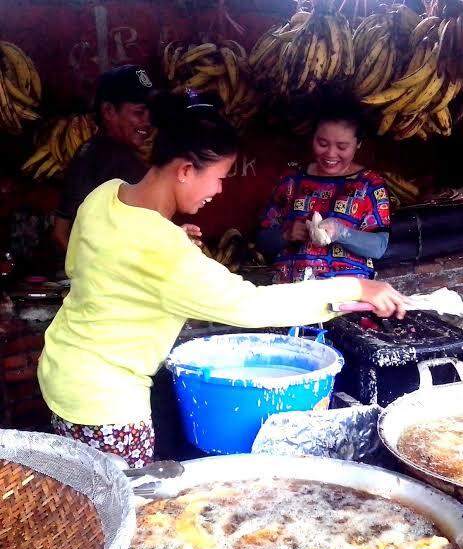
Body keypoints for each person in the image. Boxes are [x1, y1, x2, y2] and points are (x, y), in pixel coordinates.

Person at [38, 92, 408, 467]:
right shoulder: (163, 248)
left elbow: (80, 265)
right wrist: (356, 287)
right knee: (122, 506)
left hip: (61, 371)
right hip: (106, 403)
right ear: (184, 170)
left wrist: (158, 247)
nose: (218, 191)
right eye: (217, 178)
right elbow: (250, 305)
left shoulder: (104, 195)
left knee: (86, 489)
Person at [51, 64, 202, 252]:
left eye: (150, 113)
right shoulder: (93, 158)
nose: (147, 122)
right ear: (109, 112)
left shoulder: (129, 156)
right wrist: (94, 271)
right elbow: (62, 232)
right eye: (139, 113)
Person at [258, 102, 391, 283]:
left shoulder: (369, 185)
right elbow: (262, 241)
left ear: (358, 144)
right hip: (289, 290)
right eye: (322, 143)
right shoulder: (291, 180)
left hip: (344, 291)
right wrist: (286, 234)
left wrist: (342, 233)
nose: (330, 153)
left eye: (342, 147)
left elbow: (379, 247)